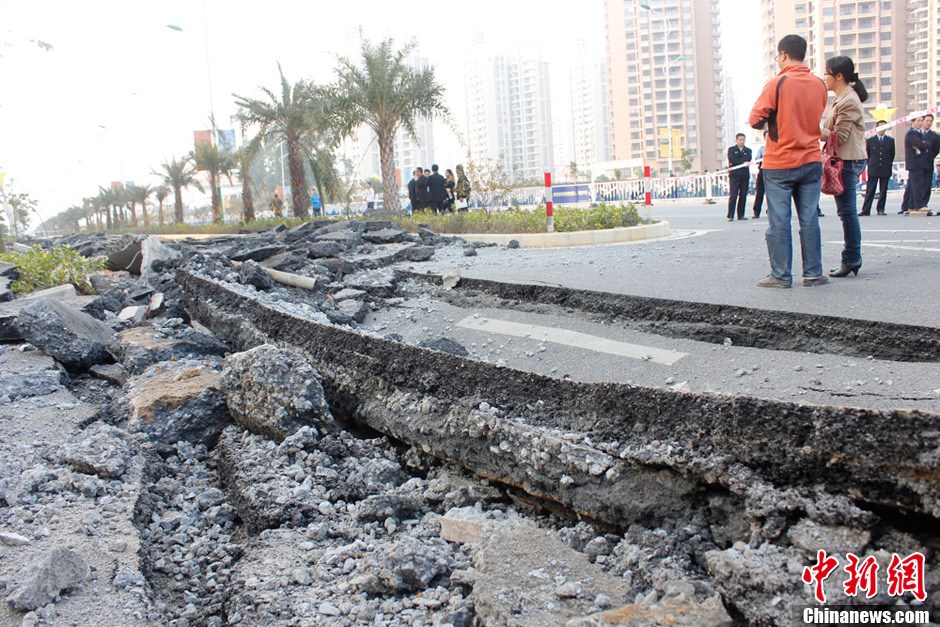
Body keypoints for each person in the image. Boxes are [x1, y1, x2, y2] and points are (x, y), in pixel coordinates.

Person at [748, 34, 828, 288]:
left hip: (780, 162)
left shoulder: (778, 83)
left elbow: (754, 118)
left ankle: (781, 276)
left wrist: (770, 122)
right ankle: (813, 273)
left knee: (780, 221)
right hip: (811, 159)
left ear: (783, 55)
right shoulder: (818, 84)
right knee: (809, 218)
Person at [819, 55, 868, 278]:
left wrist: (811, 129)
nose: (824, 77)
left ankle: (852, 258)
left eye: (826, 73)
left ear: (838, 76)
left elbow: (840, 136)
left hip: (847, 160)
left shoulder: (848, 100)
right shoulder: (843, 98)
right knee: (846, 212)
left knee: (848, 212)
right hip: (845, 159)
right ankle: (851, 258)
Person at [859, 120, 894, 216]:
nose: (882, 129)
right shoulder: (870, 141)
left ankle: (881, 209)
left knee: (883, 190)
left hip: (885, 167)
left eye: (884, 127)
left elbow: (892, 155)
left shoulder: (890, 141)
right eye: (880, 127)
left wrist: (887, 163)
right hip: (873, 167)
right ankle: (866, 210)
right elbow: (867, 154)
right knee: (870, 190)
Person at [899, 117, 927, 214]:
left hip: (918, 163)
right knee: (917, 185)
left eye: (921, 121)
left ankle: (911, 206)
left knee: (912, 186)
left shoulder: (919, 132)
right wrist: (925, 144)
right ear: (912, 122)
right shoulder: (912, 133)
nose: (920, 123)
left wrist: (924, 144)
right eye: (918, 121)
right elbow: (920, 144)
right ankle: (919, 205)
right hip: (915, 163)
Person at [727, 133, 752, 221]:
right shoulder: (731, 150)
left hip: (744, 175)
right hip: (734, 175)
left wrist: (740, 162)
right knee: (733, 195)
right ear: (736, 140)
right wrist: (742, 162)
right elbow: (732, 160)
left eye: (743, 140)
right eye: (740, 140)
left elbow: (748, 159)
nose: (741, 141)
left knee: (743, 195)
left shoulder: (748, 150)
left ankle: (741, 214)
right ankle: (730, 215)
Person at [922, 114, 939, 211]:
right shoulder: (917, 133)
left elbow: (936, 150)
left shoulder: (935, 136)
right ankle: (911, 204)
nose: (928, 123)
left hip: (928, 162)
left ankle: (924, 203)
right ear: (923, 121)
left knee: (927, 184)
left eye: (930, 121)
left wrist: (930, 157)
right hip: (917, 164)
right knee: (916, 185)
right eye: (927, 120)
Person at [752, 129, 768, 218]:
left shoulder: (777, 148)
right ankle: (756, 212)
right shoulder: (762, 149)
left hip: (773, 172)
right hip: (762, 171)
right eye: (766, 136)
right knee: (759, 192)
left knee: (772, 193)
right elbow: (757, 159)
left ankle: (771, 211)